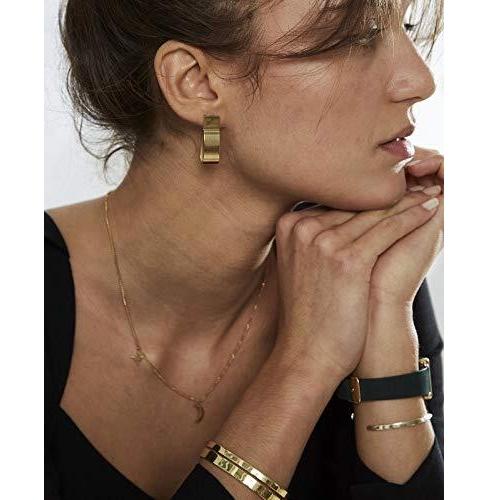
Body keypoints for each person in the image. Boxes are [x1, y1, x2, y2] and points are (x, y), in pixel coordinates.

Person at [45, 0, 444, 498]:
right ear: (196, 83)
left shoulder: (352, 264)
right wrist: (305, 364)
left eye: (404, 26)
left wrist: (388, 325)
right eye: (353, 38)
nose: (419, 81)